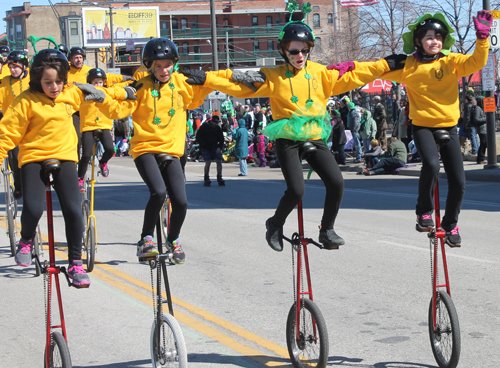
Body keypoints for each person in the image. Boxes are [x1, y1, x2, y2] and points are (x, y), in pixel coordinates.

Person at [182, 4, 406, 250]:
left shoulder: (323, 74)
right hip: (287, 137)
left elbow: (356, 71)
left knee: (337, 182)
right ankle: (275, 224)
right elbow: (238, 80)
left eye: (304, 50)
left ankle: (327, 229)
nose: (300, 55)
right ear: (284, 51)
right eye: (294, 51)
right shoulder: (274, 76)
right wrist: (207, 78)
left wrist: (386, 65)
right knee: (297, 190)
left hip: (313, 135)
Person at [0, 49, 121, 286]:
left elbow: (102, 92)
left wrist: (123, 93)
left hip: (65, 157)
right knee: (33, 209)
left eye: (58, 81)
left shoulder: (71, 93)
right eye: (47, 82)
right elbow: (7, 134)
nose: (54, 87)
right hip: (34, 157)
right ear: (37, 79)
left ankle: (76, 263)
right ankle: (25, 240)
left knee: (74, 211)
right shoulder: (25, 100)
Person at [97, 38, 216, 262]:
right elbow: (119, 107)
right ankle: (145, 239)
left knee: (180, 201)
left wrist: (207, 82)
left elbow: (195, 99)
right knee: (159, 192)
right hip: (145, 149)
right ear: (150, 66)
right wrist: (100, 98)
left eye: (167, 65)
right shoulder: (140, 85)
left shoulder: (181, 83)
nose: (163, 70)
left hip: (171, 149)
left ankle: (174, 239)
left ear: (174, 63)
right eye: (158, 66)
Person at [380, 10, 492, 247]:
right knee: (431, 164)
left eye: (439, 37)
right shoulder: (408, 65)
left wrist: (482, 38)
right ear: (419, 40)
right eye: (429, 37)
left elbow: (477, 61)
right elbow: (375, 69)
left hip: (449, 126)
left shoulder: (451, 62)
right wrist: (349, 69)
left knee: (459, 182)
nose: (435, 41)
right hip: (422, 126)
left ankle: (451, 224)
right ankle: (423, 212)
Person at [77, 68, 116, 189]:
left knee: (110, 149)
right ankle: (80, 177)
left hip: (104, 125)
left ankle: (103, 162)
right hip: (88, 126)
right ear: (89, 83)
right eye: (95, 82)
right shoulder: (83, 93)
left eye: (100, 82)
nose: (98, 85)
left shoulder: (108, 92)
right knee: (86, 154)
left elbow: (119, 90)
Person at [0, 50, 30, 200]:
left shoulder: (32, 79)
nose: (12, 70)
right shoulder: (5, 82)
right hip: (12, 126)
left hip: (30, 124)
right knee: (15, 157)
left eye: (15, 66)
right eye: (10, 66)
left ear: (24, 66)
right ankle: (18, 186)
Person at [197, 114, 226, 186]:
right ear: (212, 121)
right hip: (206, 147)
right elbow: (198, 136)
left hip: (215, 147)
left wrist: (219, 147)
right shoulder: (205, 126)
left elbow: (221, 139)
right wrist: (203, 144)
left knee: (219, 161)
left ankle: (219, 177)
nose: (216, 124)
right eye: (215, 123)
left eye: (217, 123)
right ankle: (206, 178)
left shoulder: (218, 129)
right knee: (208, 162)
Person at [474, 96, 487, 164]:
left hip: (485, 128)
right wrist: (486, 119)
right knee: (483, 143)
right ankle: (480, 158)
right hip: (482, 129)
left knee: (485, 143)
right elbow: (476, 119)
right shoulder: (477, 108)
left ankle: (482, 157)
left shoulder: (482, 108)